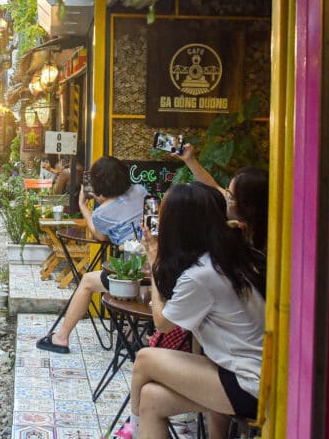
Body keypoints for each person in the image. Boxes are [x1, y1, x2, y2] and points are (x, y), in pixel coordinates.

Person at [124, 182, 266, 438]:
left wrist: (155, 264)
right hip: (250, 375)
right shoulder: (228, 256)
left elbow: (162, 324)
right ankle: (135, 426)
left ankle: (131, 431)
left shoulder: (201, 275)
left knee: (145, 358)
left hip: (248, 385)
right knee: (151, 399)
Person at [37, 156, 147, 354]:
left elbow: (100, 235)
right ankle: (130, 335)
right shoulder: (140, 191)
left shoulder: (102, 212)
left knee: (87, 281)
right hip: (156, 265)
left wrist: (84, 208)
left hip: (134, 271)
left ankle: (61, 337)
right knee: (137, 286)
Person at [177, 144, 269, 253]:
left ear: (248, 207)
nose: (225, 197)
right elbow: (213, 186)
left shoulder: (260, 247)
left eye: (230, 196)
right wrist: (190, 160)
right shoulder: (247, 225)